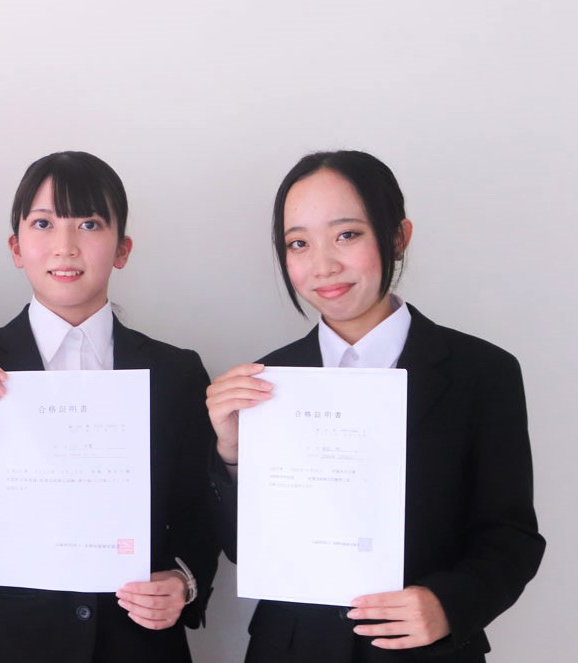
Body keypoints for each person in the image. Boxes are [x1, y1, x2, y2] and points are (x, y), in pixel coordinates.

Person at [206, 150, 544, 662]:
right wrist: (232, 455)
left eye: (347, 235)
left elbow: (511, 535)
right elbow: (245, 550)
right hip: (292, 649)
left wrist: (447, 605)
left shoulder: (482, 372)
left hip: (425, 651)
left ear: (398, 236)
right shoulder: (267, 380)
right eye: (299, 243)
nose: (323, 265)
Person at [0, 151, 218, 662]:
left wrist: (184, 581)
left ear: (122, 249)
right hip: (2, 644)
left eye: (89, 224)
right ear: (16, 247)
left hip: (135, 642)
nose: (65, 246)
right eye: (43, 224)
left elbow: (201, 512)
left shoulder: (175, 372)